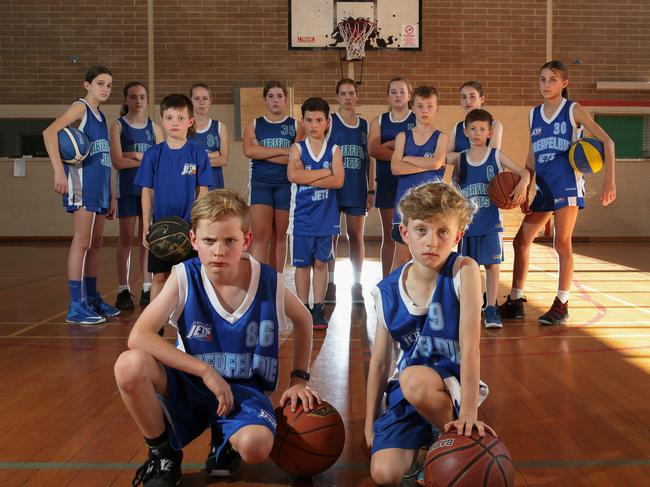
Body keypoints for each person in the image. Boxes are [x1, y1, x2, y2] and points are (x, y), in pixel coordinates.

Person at [114, 189, 320, 487]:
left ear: (246, 240)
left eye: (230, 241)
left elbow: (304, 319)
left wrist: (299, 379)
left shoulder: (268, 281)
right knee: (129, 365)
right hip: (191, 383)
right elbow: (139, 336)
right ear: (193, 240)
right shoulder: (184, 276)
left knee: (256, 446)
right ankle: (163, 455)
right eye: (209, 241)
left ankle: (224, 439)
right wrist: (206, 372)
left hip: (243, 391)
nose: (218, 251)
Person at [365, 182, 493, 486]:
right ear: (405, 232)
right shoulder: (386, 291)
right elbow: (381, 362)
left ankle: (447, 436)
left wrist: (470, 414)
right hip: (408, 391)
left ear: (458, 236)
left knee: (414, 379)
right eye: (421, 230)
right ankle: (422, 439)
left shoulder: (465, 271)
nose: (431, 242)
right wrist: (370, 424)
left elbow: (471, 346)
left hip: (449, 384)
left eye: (442, 232)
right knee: (383, 474)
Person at [499, 60, 616, 325]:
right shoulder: (534, 114)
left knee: (562, 242)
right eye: (542, 79)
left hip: (567, 183)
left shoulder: (573, 110)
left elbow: (608, 141)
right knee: (521, 240)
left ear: (564, 83)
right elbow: (531, 157)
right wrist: (525, 186)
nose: (546, 84)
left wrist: (610, 181)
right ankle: (516, 299)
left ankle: (562, 303)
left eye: (552, 79)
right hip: (543, 186)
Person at [42, 65, 120, 324]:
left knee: (96, 244)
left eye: (109, 85)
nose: (105, 89)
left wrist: (111, 194)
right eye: (100, 83)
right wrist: (59, 172)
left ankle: (91, 298)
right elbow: (49, 132)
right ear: (87, 85)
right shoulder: (81, 108)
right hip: (82, 184)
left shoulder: (102, 117)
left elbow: (106, 159)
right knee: (82, 242)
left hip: (100, 188)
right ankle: (76, 306)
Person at [449, 109, 530, 328]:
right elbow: (453, 190)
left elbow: (524, 172)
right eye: (473, 129)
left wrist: (523, 184)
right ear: (465, 132)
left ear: (490, 132)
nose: (477, 133)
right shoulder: (460, 159)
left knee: (492, 266)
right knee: (468, 268)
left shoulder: (495, 155)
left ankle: (492, 307)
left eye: (482, 129)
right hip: (467, 225)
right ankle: (470, 306)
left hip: (491, 223)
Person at [135, 93, 213, 303]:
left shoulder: (198, 154)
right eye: (169, 118)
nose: (174, 123)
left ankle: (190, 325)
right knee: (159, 277)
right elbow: (147, 191)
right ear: (162, 121)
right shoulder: (153, 154)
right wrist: (145, 225)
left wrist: (199, 224)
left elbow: (202, 192)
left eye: (180, 118)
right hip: (161, 227)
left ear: (190, 122)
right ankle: (154, 325)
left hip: (188, 227)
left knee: (193, 278)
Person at [287, 97, 344, 330]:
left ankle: (318, 308)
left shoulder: (335, 149)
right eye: (309, 120)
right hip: (301, 218)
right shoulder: (297, 148)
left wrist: (310, 175)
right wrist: (325, 172)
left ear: (327, 122)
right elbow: (293, 176)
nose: (313, 125)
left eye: (318, 120)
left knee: (321, 264)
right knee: (302, 266)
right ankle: (303, 309)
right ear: (303, 121)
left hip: (326, 218)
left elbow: (338, 180)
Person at [110, 81, 163, 310]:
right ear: (125, 100)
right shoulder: (118, 126)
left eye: (142, 96)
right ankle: (123, 289)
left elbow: (161, 161)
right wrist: (141, 157)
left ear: (147, 99)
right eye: (133, 97)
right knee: (125, 238)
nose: (138, 101)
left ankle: (147, 286)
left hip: (149, 189)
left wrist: (135, 155)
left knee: (146, 238)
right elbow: (117, 161)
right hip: (127, 187)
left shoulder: (155, 128)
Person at [243, 80, 304, 271]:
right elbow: (250, 152)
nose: (275, 100)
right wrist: (285, 151)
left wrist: (262, 151)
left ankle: (276, 280)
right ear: (265, 100)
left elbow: (295, 160)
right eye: (271, 96)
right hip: (261, 183)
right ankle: (257, 281)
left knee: (280, 234)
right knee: (261, 234)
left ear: (286, 99)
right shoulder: (254, 124)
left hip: (286, 183)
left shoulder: (297, 125)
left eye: (279, 96)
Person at [325, 78, 373, 305]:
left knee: (356, 236)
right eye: (343, 93)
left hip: (356, 188)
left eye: (351, 93)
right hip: (334, 188)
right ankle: (330, 284)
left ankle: (357, 284)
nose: (348, 97)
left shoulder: (365, 126)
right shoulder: (330, 122)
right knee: (331, 237)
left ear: (356, 96)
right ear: (337, 97)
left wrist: (371, 189)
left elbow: (370, 160)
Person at [390, 86, 447, 270]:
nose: (425, 110)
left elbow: (437, 163)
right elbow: (396, 168)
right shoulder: (402, 137)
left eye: (429, 106)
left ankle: (427, 299)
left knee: (428, 261)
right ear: (412, 107)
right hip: (405, 207)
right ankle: (390, 298)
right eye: (420, 106)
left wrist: (408, 159)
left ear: (437, 109)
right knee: (402, 259)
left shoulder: (441, 137)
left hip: (430, 207)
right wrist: (425, 163)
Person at [368, 77, 416, 278]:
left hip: (412, 184)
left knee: (412, 236)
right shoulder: (378, 120)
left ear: (409, 95)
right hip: (387, 182)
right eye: (394, 92)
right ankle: (386, 282)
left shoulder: (417, 118)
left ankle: (412, 281)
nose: (398, 95)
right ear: (388, 96)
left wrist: (388, 145)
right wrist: (401, 154)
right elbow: (373, 149)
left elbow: (419, 150)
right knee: (390, 236)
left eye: (402, 91)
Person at [446, 81, 503, 165]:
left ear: (482, 99)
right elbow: (445, 157)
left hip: (486, 178)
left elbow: (490, 158)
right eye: (464, 97)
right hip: (461, 178)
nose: (468, 101)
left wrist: (459, 157)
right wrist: (475, 156)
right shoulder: (457, 127)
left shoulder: (495, 125)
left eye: (472, 96)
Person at [188, 82, 229, 189]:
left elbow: (224, 160)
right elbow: (183, 164)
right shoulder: (184, 128)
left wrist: (196, 162)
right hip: (190, 187)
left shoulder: (220, 127)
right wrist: (211, 155)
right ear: (190, 100)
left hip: (214, 186)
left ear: (210, 100)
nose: (201, 102)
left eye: (205, 98)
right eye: (197, 98)